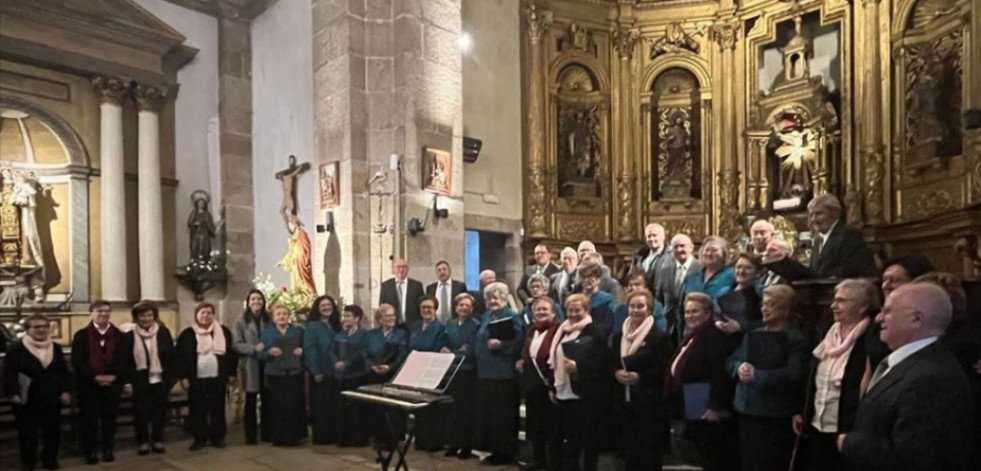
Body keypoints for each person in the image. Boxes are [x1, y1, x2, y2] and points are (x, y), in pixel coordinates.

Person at [839, 283, 974, 471]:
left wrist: (849, 443)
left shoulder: (929, 379)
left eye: (888, 311)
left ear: (916, 319)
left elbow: (912, 458)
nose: (878, 318)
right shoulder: (914, 363)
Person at [793, 279, 884, 471]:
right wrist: (803, 409)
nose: (833, 305)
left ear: (862, 307)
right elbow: (813, 376)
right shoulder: (827, 332)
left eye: (842, 301)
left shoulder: (871, 338)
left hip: (848, 428)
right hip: (818, 424)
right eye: (834, 300)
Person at [727, 285, 808, 471]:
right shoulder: (753, 333)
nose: (764, 309)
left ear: (786, 310)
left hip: (773, 412)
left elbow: (795, 374)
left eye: (772, 305)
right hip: (746, 409)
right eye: (764, 304)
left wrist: (758, 376)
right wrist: (739, 367)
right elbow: (733, 359)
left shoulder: (795, 338)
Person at [665, 293, 740, 471]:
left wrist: (716, 406)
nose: (689, 316)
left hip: (706, 402)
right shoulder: (694, 335)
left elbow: (718, 372)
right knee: (701, 453)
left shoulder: (713, 334)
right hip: (694, 397)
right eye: (687, 312)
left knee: (712, 454)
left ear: (707, 313)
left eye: (695, 311)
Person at [547, 293, 612, 471]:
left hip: (585, 393)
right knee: (571, 437)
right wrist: (552, 385)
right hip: (563, 391)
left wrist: (579, 368)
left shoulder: (594, 332)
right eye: (570, 310)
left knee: (588, 438)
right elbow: (555, 360)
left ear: (586, 311)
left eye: (578, 310)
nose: (573, 314)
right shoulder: (562, 330)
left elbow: (603, 364)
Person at [611, 290, 673, 471]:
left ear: (650, 309)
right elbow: (611, 362)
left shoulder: (659, 336)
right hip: (625, 402)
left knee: (650, 452)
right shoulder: (618, 336)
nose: (636, 310)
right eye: (632, 306)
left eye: (640, 306)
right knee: (630, 450)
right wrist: (615, 373)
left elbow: (664, 369)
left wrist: (640, 378)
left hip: (650, 403)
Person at [4, 314, 71, 471]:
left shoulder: (56, 347)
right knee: (28, 433)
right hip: (26, 398)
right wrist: (13, 393)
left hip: (52, 397)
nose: (41, 329)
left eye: (44, 326)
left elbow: (63, 372)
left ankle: (50, 459)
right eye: (36, 327)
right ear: (28, 330)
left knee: (52, 431)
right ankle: (29, 462)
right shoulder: (16, 348)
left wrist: (66, 391)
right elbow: (9, 373)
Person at [71, 300, 130, 464]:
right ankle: (90, 451)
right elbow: (78, 360)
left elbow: (124, 359)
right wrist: (95, 377)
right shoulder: (81, 335)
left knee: (109, 419)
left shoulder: (120, 335)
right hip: (89, 385)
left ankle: (107, 449)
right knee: (89, 420)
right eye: (99, 311)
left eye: (106, 311)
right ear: (91, 313)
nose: (103, 314)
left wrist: (114, 376)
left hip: (113, 385)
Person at [174, 302, 238, 451]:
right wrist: (183, 377)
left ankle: (218, 436)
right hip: (196, 378)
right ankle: (200, 438)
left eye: (209, 313)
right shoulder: (188, 334)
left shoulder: (223, 331)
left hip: (218, 376)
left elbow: (231, 354)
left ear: (213, 315)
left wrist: (231, 373)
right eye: (202, 313)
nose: (206, 315)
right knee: (198, 408)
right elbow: (180, 357)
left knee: (218, 407)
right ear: (196, 315)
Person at [473, 282, 525, 465]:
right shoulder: (487, 315)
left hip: (503, 374)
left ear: (504, 298)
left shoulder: (511, 316)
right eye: (489, 298)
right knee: (490, 415)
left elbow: (519, 341)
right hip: (486, 372)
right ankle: (494, 450)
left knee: (502, 415)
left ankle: (505, 452)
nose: (492, 301)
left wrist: (501, 345)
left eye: (496, 297)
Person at [516, 296, 561, 471]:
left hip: (548, 384)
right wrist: (521, 360)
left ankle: (553, 463)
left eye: (545, 309)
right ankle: (538, 459)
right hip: (532, 385)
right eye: (538, 309)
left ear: (553, 312)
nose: (541, 312)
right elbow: (527, 352)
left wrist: (551, 384)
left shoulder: (558, 330)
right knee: (535, 425)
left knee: (552, 426)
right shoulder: (531, 330)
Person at [125, 301, 175, 455]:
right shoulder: (129, 334)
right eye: (142, 315)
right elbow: (125, 359)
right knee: (141, 412)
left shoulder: (163, 332)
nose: (146, 318)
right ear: (136, 317)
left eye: (149, 315)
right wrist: (127, 381)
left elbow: (171, 355)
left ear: (154, 316)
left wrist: (171, 379)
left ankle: (158, 440)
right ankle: (143, 442)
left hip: (160, 379)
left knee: (159, 412)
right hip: (139, 379)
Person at [257, 304, 307, 446]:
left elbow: (304, 348)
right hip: (275, 374)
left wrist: (301, 351)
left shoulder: (297, 331)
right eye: (278, 314)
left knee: (293, 406)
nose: (282, 316)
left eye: (284, 313)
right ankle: (278, 437)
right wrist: (268, 353)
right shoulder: (267, 333)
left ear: (288, 316)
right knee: (277, 407)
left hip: (293, 373)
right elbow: (259, 353)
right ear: (273, 317)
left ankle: (294, 437)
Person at [364, 304, 409, 452]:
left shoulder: (401, 334)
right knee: (376, 408)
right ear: (379, 319)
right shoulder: (370, 334)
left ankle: (393, 440)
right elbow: (364, 352)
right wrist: (371, 366)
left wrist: (390, 367)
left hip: (392, 375)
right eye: (387, 316)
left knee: (392, 409)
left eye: (393, 315)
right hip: (374, 375)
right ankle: (378, 438)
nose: (391, 318)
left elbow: (403, 354)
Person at [408, 296, 450, 451]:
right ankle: (421, 440)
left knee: (432, 409)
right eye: (423, 307)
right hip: (415, 370)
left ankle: (433, 442)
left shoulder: (440, 328)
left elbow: (436, 348)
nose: (426, 310)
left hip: (430, 372)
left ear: (435, 309)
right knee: (419, 409)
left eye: (429, 308)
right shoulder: (414, 326)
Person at [441, 294, 481, 459]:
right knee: (452, 410)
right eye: (461, 305)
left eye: (467, 305)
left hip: (467, 371)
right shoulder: (450, 323)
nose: (464, 308)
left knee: (465, 411)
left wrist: (455, 353)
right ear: (456, 307)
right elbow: (445, 341)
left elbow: (470, 348)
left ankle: (466, 446)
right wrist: (444, 347)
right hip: (450, 371)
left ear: (472, 308)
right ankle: (453, 444)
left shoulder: (476, 325)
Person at [232, 289, 272, 445]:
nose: (257, 302)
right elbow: (236, 344)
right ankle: (250, 435)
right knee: (251, 399)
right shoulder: (240, 321)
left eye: (259, 299)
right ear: (248, 302)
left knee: (267, 399)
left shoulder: (269, 320)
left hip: (267, 363)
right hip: (250, 364)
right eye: (253, 299)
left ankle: (267, 432)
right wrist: (253, 349)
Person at [806, 194, 876, 278]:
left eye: (819, 213)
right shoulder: (818, 240)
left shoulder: (849, 234)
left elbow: (855, 267)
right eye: (811, 215)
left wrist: (829, 276)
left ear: (835, 213)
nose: (814, 219)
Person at [678, 236, 735, 337]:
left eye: (714, 250)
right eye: (706, 250)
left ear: (724, 253)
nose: (709, 253)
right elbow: (681, 308)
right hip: (691, 333)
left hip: (718, 333)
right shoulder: (692, 276)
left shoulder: (732, 275)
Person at [305, 295, 342, 445]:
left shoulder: (336, 325)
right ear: (318, 309)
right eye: (323, 306)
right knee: (321, 406)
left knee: (333, 405)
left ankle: (334, 434)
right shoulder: (313, 326)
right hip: (321, 370)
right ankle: (322, 436)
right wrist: (316, 370)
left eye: (329, 305)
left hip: (336, 372)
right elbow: (310, 348)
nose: (327, 308)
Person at [333, 304, 371, 446]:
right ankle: (344, 438)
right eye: (344, 316)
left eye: (348, 316)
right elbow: (332, 350)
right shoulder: (339, 334)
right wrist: (336, 362)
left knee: (357, 409)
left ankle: (359, 439)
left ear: (357, 319)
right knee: (343, 409)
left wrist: (347, 363)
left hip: (357, 375)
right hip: (342, 376)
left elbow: (362, 352)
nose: (345, 319)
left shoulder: (363, 334)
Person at [655, 234, 703, 340]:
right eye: (675, 247)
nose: (679, 249)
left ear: (691, 247)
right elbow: (659, 297)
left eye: (682, 246)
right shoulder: (665, 270)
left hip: (692, 326)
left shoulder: (701, 269)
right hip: (669, 327)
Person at [716, 253, 764, 334]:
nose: (741, 271)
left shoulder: (761, 292)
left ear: (757, 272)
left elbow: (765, 322)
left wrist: (740, 327)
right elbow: (716, 314)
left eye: (748, 268)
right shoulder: (724, 292)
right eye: (738, 267)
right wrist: (718, 322)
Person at [615, 269, 667, 338]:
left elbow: (661, 330)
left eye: (637, 284)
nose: (633, 288)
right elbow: (616, 334)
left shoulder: (656, 307)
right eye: (630, 285)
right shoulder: (620, 310)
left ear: (646, 288)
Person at [379, 258, 424, 325]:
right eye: (398, 267)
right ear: (393, 269)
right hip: (392, 325)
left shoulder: (417, 285)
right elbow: (382, 306)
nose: (401, 269)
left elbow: (421, 306)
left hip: (413, 325)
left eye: (404, 267)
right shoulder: (386, 286)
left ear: (408, 269)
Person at [578, 262, 619, 332]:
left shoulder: (607, 299)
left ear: (598, 279)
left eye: (590, 277)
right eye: (584, 277)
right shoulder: (576, 298)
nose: (586, 280)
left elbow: (608, 323)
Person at [632, 223, 669, 290]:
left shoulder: (670, 256)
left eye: (655, 235)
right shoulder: (640, 255)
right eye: (649, 236)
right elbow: (632, 275)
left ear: (663, 237)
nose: (652, 239)